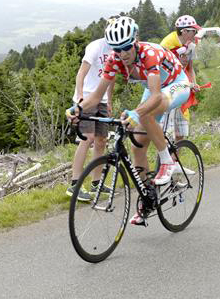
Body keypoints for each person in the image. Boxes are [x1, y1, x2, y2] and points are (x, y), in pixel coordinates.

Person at [66, 16, 194, 226]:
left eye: (126, 47)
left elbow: (155, 97)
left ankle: (167, 161)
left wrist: (136, 113)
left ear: (135, 41)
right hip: (155, 90)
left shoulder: (149, 54)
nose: (122, 54)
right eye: (116, 49)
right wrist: (78, 108)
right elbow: (97, 97)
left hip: (176, 85)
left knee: (144, 114)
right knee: (136, 145)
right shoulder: (114, 59)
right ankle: (147, 199)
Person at [67, 30, 114, 201]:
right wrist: (79, 97)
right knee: (87, 138)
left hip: (101, 99)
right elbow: (81, 73)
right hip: (86, 97)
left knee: (101, 140)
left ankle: (97, 183)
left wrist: (109, 101)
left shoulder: (117, 49)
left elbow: (112, 78)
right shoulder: (95, 46)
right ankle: (74, 184)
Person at [161, 15, 201, 141]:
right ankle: (165, 159)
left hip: (182, 88)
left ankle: (175, 160)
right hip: (167, 90)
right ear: (184, 31)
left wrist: (193, 83)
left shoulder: (191, 46)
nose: (196, 33)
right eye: (194, 31)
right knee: (167, 132)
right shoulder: (167, 43)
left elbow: (190, 67)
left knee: (181, 133)